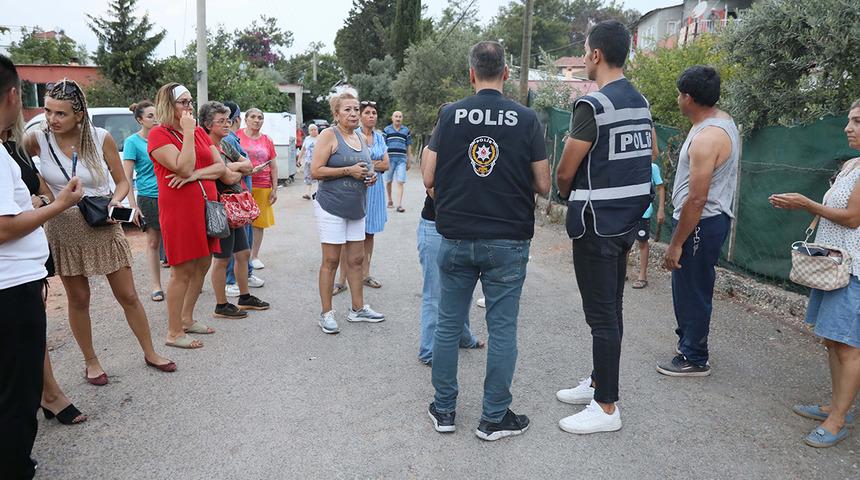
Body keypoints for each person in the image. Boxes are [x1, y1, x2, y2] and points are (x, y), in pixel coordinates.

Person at [423, 41, 551, 441]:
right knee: (502, 329)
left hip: (457, 234)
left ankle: (444, 411)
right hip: (508, 239)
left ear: (471, 73)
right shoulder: (527, 118)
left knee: (447, 325)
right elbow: (544, 185)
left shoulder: (450, 115)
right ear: (507, 74)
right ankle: (494, 418)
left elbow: (428, 177)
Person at [24, 79, 175, 384]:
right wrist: (41, 192)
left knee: (128, 294)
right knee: (79, 299)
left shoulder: (100, 137)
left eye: (61, 113)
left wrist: (115, 203)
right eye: (48, 111)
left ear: (79, 114)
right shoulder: (37, 139)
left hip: (103, 222)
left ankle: (150, 351)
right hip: (64, 227)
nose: (52, 119)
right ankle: (91, 362)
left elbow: (121, 181)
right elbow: (22, 169)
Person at [554, 21, 653, 434]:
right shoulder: (641, 102)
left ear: (595, 55)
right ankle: (598, 381)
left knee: (601, 315)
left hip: (596, 225)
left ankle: (606, 406)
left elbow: (565, 171)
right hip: (627, 223)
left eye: (585, 51)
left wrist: (565, 189)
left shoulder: (593, 106)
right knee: (611, 308)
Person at [0, 54, 85, 480]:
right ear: (15, 95)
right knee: (16, 389)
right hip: (10, 284)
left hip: (19, 276)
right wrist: (58, 205)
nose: (50, 118)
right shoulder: (10, 148)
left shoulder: (9, 144)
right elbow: (2, 228)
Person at [769, 100, 860, 448]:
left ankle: (837, 420)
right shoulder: (852, 163)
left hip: (852, 269)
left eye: (857, 121)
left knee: (849, 346)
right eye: (849, 120)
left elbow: (853, 218)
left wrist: (807, 204)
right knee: (833, 340)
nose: (848, 127)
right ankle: (836, 406)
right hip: (832, 264)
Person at [3, 113, 87, 426]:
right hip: (10, 264)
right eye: (48, 111)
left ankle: (49, 394)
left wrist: (38, 203)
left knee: (32, 330)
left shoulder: (14, 150)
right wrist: (41, 205)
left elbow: (44, 193)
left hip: (27, 259)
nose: (50, 118)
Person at [659, 66, 739, 377]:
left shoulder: (708, 138)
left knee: (692, 289)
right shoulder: (721, 120)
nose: (678, 99)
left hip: (700, 224)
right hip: (704, 221)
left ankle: (694, 356)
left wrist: (676, 243)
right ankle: (688, 345)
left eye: (680, 95)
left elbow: (697, 199)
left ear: (689, 98)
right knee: (690, 286)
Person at [148, 83, 226, 349]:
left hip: (206, 208)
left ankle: (186, 319)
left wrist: (197, 175)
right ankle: (173, 332)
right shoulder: (159, 135)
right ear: (168, 105)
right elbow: (183, 166)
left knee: (203, 264)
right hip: (180, 211)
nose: (189, 108)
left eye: (190, 102)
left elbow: (219, 168)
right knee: (182, 270)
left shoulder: (199, 134)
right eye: (183, 103)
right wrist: (190, 132)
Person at [311, 91, 385, 334]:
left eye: (356, 109)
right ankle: (326, 313)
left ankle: (357, 308)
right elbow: (316, 171)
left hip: (357, 207)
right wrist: (348, 171)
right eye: (348, 110)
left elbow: (365, 167)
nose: (353, 114)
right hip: (331, 206)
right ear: (336, 114)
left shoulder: (359, 138)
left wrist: (370, 176)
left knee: (356, 259)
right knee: (331, 260)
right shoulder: (328, 135)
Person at [417, 104, 486, 366]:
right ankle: (429, 350)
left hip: (460, 227)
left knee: (463, 290)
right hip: (435, 227)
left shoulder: (466, 149)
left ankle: (462, 336)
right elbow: (432, 189)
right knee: (436, 293)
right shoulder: (429, 150)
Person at [199, 101, 270, 318]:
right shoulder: (206, 147)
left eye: (228, 120)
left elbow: (247, 165)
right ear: (208, 124)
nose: (227, 124)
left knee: (243, 252)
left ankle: (244, 297)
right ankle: (221, 305)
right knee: (222, 259)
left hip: (236, 207)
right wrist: (235, 170)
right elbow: (230, 176)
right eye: (221, 121)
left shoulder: (226, 144)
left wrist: (231, 168)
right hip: (220, 209)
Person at [334, 100, 389, 292]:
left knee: (369, 233)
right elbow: (356, 162)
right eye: (367, 113)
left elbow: (386, 164)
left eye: (374, 113)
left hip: (375, 190)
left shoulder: (380, 137)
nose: (371, 116)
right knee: (347, 235)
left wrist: (370, 165)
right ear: (361, 116)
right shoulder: (353, 136)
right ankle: (341, 280)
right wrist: (372, 164)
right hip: (356, 188)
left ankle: (365, 274)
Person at [122, 100, 164, 302]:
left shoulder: (165, 137)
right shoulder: (133, 142)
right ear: (140, 120)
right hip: (148, 197)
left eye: (157, 115)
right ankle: (156, 285)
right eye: (150, 116)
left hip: (171, 195)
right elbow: (127, 177)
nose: (155, 119)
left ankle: (181, 280)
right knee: (153, 241)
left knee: (174, 240)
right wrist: (132, 205)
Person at [221, 101, 264, 297]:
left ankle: (245, 274)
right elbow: (226, 170)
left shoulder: (233, 139)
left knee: (244, 242)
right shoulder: (228, 140)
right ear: (239, 119)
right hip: (233, 198)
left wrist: (242, 168)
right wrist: (242, 169)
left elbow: (245, 165)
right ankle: (230, 280)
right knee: (234, 245)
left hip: (243, 195)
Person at [236, 108, 277, 270]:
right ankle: (240, 256)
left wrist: (275, 188)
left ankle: (254, 256)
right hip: (241, 185)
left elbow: (273, 166)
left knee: (258, 223)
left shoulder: (267, 140)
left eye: (260, 117)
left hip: (263, 185)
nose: (256, 120)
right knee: (240, 220)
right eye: (253, 117)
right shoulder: (237, 136)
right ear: (245, 119)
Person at [631, 150, 665, 289]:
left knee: (642, 242)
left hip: (644, 211)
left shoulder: (653, 168)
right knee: (624, 241)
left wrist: (661, 209)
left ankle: (642, 275)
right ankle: (622, 273)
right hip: (628, 210)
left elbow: (661, 187)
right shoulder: (630, 166)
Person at [383, 110, 412, 212]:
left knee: (400, 181)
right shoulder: (387, 130)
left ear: (402, 118)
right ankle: (390, 200)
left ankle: (399, 205)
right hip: (389, 159)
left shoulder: (406, 131)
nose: (398, 118)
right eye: (396, 116)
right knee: (389, 181)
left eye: (400, 116)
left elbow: (408, 146)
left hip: (401, 160)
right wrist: (383, 159)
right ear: (392, 118)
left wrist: (409, 160)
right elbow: (383, 146)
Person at [298, 123, 319, 200]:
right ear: (309, 131)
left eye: (315, 129)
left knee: (318, 178)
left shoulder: (321, 138)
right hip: (308, 161)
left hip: (318, 162)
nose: (313, 131)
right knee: (308, 177)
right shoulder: (307, 139)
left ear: (317, 130)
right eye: (311, 130)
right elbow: (303, 149)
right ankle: (308, 193)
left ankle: (318, 193)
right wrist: (299, 159)